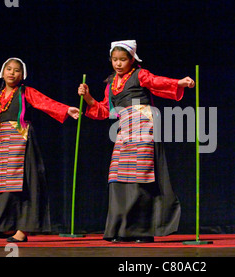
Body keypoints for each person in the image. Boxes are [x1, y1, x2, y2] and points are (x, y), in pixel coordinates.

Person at [78, 40, 195, 243]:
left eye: (123, 59)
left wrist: (179, 83)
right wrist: (88, 97)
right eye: (115, 60)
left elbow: (157, 82)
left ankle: (142, 230)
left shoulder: (139, 74)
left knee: (140, 177)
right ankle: (121, 229)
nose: (118, 64)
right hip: (123, 130)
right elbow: (105, 110)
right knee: (118, 176)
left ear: (132, 59)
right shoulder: (111, 83)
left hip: (143, 125)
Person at [0, 57, 79, 242]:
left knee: (25, 184)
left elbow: (45, 102)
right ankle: (3, 225)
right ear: (2, 72)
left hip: (23, 142)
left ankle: (23, 230)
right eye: (8, 69)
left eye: (16, 70)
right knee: (3, 184)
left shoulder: (26, 92)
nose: (12, 72)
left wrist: (66, 110)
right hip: (5, 145)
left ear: (22, 75)